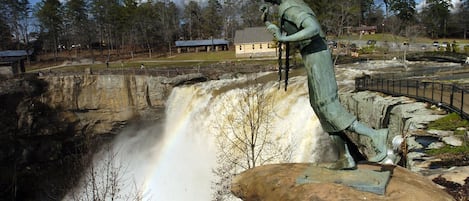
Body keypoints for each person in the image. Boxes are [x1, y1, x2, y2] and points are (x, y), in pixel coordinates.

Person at [261, 0, 392, 169]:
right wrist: (267, 22)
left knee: (328, 106)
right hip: (312, 58)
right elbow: (290, 34)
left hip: (317, 58)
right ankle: (345, 156)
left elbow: (313, 28)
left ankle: (375, 135)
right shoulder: (288, 7)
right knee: (319, 107)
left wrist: (283, 38)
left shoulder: (290, 8)